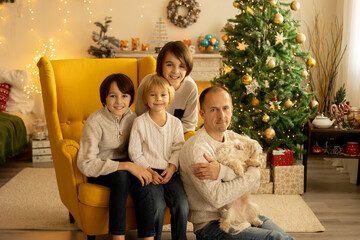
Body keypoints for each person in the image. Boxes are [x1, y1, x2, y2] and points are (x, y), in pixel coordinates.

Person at [179, 86, 296, 240]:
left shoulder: (231, 137)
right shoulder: (199, 150)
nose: (222, 115)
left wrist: (222, 172)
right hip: (213, 227)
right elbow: (217, 197)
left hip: (242, 214)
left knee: (284, 237)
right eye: (214, 109)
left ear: (232, 110)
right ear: (202, 114)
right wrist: (252, 172)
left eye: (225, 108)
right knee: (276, 238)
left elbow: (255, 179)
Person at [77, 73, 155, 240]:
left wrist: (139, 167)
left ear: (131, 98)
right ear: (104, 98)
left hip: (126, 166)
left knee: (142, 181)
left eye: (124, 96)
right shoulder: (95, 121)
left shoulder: (133, 118)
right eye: (113, 96)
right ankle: (118, 236)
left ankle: (147, 237)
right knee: (121, 177)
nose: (119, 102)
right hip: (100, 169)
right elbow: (86, 164)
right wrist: (126, 166)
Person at [129, 75, 189, 240]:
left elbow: (179, 148)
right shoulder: (140, 123)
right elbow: (135, 152)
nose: (158, 99)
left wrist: (172, 167)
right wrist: (148, 171)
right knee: (156, 206)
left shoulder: (175, 123)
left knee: (182, 204)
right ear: (146, 99)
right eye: (153, 95)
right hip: (148, 171)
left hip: (170, 170)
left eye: (163, 94)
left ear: (169, 97)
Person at [135, 40, 198, 136]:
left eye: (181, 66)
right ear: (161, 65)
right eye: (169, 65)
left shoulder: (190, 88)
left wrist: (165, 133)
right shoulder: (146, 84)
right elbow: (139, 116)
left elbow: (189, 124)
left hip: (176, 138)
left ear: (188, 68)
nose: (175, 71)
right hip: (149, 135)